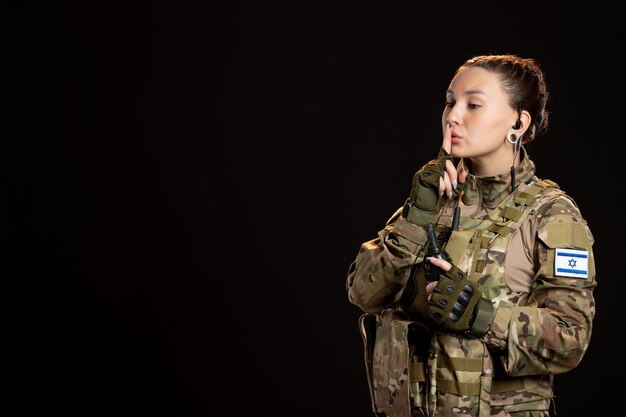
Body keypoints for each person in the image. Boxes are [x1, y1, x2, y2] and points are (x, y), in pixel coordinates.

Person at [345, 54, 596, 417]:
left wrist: (484, 316)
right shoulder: (430, 200)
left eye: (473, 104)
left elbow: (571, 340)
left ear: (518, 122)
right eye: (450, 102)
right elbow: (364, 294)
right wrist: (416, 217)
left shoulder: (551, 213)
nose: (453, 116)